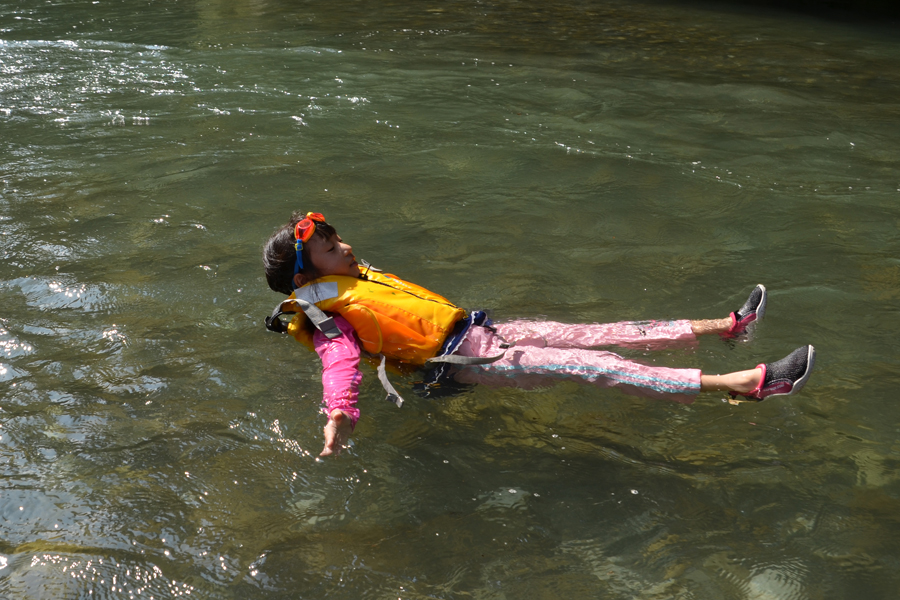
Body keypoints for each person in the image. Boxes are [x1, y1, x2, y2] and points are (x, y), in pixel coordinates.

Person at [262, 212, 816, 456]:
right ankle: (746, 384)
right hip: (472, 362)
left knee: (602, 335)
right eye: (332, 248)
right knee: (602, 368)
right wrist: (339, 415)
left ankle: (726, 326)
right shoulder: (323, 313)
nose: (348, 248)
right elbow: (339, 365)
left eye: (340, 239)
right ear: (307, 275)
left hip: (485, 331)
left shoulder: (352, 278)